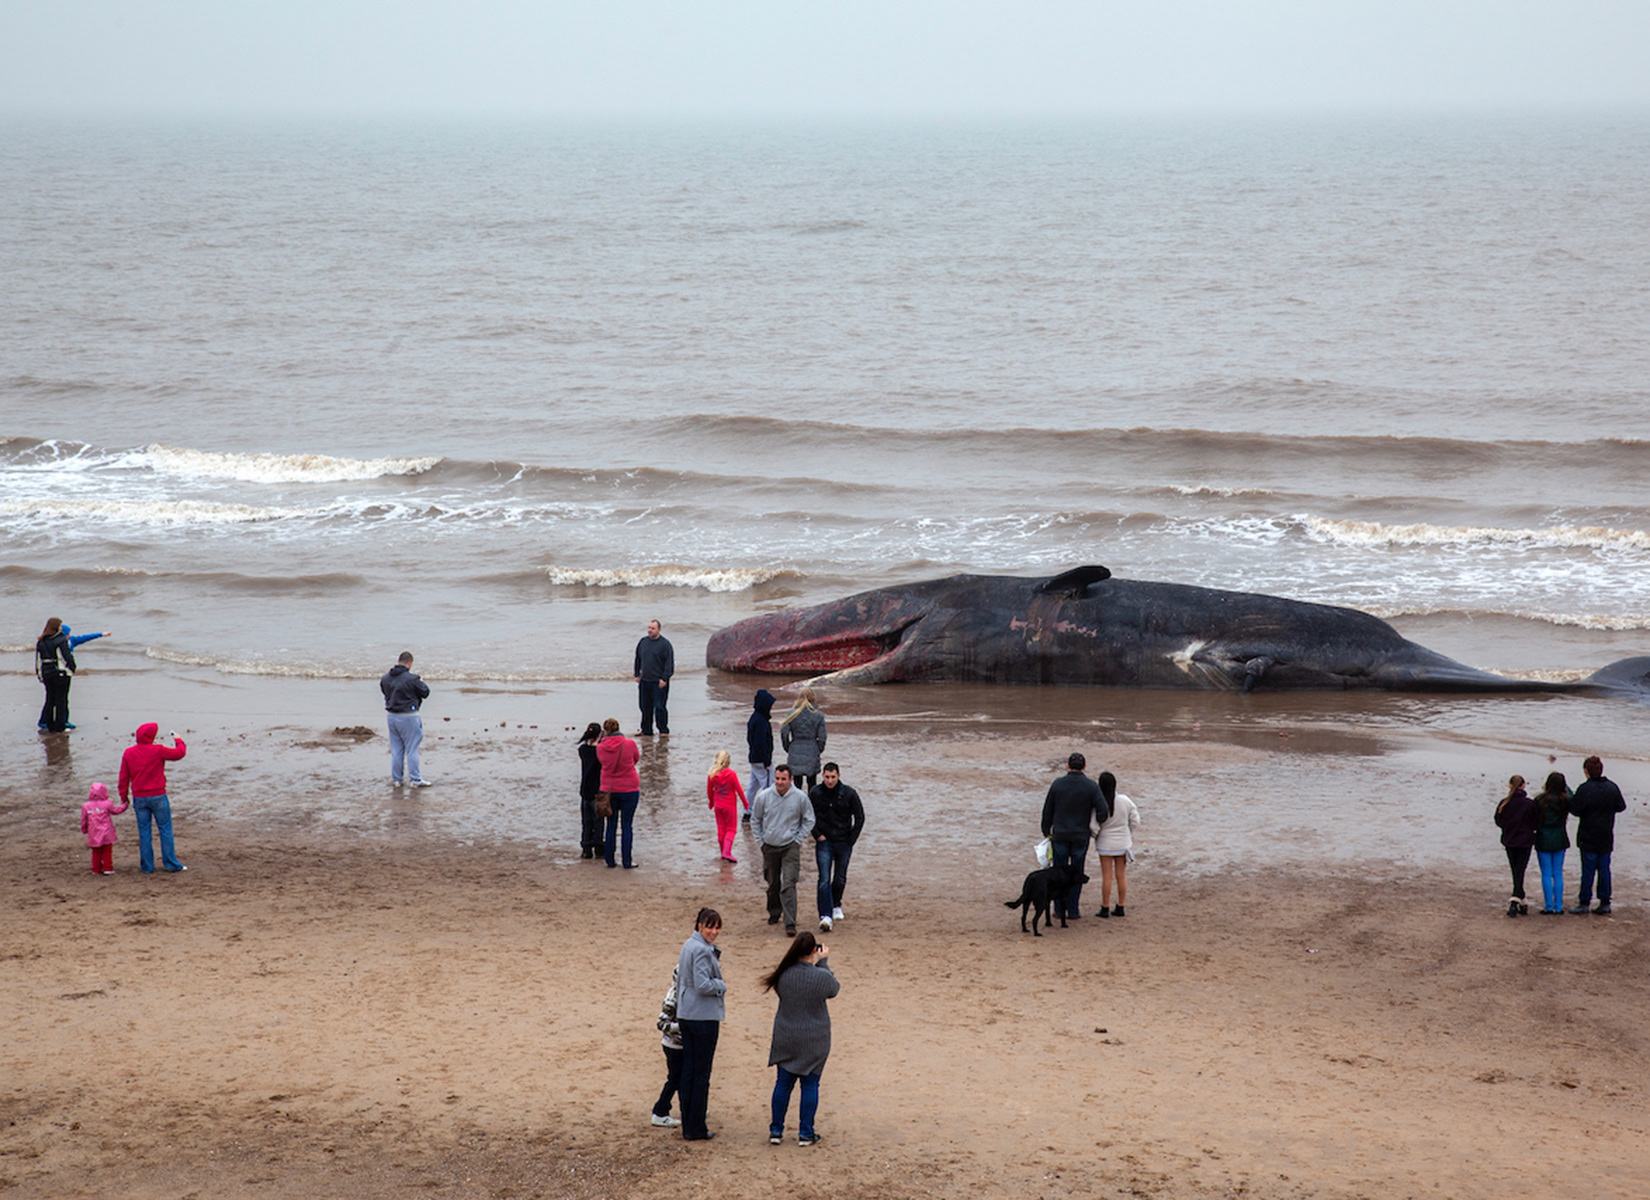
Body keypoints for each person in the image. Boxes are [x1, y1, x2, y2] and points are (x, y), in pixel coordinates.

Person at [762, 930, 840, 1148]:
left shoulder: (783, 975)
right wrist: (823, 963)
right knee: (810, 1085)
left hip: (787, 1035)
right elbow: (834, 989)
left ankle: (776, 1130)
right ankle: (806, 1132)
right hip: (814, 1039)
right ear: (814, 951)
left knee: (783, 1084)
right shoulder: (820, 976)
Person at [675, 907, 726, 1142]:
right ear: (699, 926)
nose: (713, 931)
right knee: (701, 1074)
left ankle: (689, 1124)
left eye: (716, 927)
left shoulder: (688, 945)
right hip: (703, 1017)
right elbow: (704, 985)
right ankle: (696, 1127)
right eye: (709, 926)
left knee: (689, 1071)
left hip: (686, 1013)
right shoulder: (702, 951)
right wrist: (721, 985)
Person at [1041, 752, 1107, 922]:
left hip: (1060, 834)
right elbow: (1103, 810)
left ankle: (1058, 908)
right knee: (1076, 873)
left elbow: (1047, 811)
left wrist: (1046, 831)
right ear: (1084, 766)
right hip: (1080, 836)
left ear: (1068, 766)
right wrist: (1096, 822)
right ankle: (1073, 909)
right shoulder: (1091, 786)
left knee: (1058, 873)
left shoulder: (1058, 785)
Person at [751, 765, 815, 936]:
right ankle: (774, 912)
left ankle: (790, 922)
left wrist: (798, 840)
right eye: (777, 779)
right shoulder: (764, 796)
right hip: (769, 846)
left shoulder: (800, 798)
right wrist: (761, 842)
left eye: (783, 779)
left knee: (789, 883)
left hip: (790, 847)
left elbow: (809, 820)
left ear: (791, 780)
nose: (779, 782)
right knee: (772, 883)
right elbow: (755, 820)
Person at [118, 723, 188, 873]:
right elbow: (179, 753)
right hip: (158, 795)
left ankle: (147, 867)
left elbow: (123, 777)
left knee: (144, 832)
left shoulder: (129, 753)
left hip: (140, 798)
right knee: (165, 830)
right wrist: (178, 740)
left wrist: (124, 797)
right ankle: (170, 863)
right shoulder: (158, 750)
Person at [809, 763, 864, 932]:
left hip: (843, 841)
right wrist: (817, 835)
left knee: (840, 877)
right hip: (824, 841)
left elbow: (860, 817)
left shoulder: (849, 794)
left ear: (838, 776)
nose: (830, 780)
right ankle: (825, 915)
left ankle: (836, 904)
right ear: (822, 776)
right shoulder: (815, 793)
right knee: (824, 878)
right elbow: (808, 815)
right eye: (827, 777)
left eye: (833, 777)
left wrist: (851, 839)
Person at [1568, 756, 1627, 915]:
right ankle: (1605, 901)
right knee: (1604, 868)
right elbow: (1621, 806)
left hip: (1588, 834)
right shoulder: (1611, 787)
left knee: (1588, 869)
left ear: (1586, 771)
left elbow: (1575, 810)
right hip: (1606, 834)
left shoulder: (1585, 789)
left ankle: (1584, 902)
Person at [380, 651, 431, 787]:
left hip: (392, 716)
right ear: (409, 663)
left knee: (396, 750)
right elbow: (425, 692)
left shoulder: (386, 678)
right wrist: (421, 682)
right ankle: (415, 779)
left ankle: (397, 779)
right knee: (412, 748)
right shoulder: (412, 679)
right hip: (408, 715)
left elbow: (385, 693)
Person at [1092, 771, 1140, 918]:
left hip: (1105, 844)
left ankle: (1105, 907)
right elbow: (1135, 820)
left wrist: (1097, 836)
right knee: (1121, 876)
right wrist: (1127, 832)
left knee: (1107, 876)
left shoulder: (1099, 803)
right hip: (1122, 843)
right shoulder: (1125, 800)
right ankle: (1120, 905)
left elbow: (1093, 826)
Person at [597, 718, 641, 869]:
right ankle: (627, 861)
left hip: (608, 789)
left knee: (610, 825)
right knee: (627, 825)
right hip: (630, 787)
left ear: (606, 731)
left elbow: (602, 762)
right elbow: (636, 759)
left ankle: (610, 860)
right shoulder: (629, 744)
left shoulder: (600, 747)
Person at [1494, 775, 1539, 917]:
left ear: (1509, 785)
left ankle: (1519, 899)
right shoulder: (1529, 804)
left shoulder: (1504, 803)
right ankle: (1517, 900)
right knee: (1520, 869)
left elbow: (1498, 821)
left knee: (1516, 869)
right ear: (1524, 785)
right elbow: (1536, 822)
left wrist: (1508, 828)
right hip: (1525, 842)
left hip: (1510, 840)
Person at [1533, 771, 1571, 915]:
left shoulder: (1540, 800)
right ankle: (1559, 906)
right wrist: (1565, 786)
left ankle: (1549, 906)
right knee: (1558, 873)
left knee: (1546, 873)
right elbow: (1572, 796)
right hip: (1560, 838)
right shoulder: (1565, 800)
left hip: (1543, 838)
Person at [650, 965, 684, 1128]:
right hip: (673, 1046)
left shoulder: (685, 994)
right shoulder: (673, 997)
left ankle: (688, 1107)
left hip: (681, 1044)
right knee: (675, 1079)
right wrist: (682, 1027)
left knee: (683, 1078)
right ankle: (660, 1112)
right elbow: (661, 1023)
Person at [780, 688, 827, 793]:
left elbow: (784, 733)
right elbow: (822, 737)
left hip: (795, 748)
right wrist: (818, 749)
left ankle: (797, 807)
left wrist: (788, 747)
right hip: (812, 749)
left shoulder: (792, 714)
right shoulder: (818, 715)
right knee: (812, 783)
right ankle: (811, 806)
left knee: (796, 784)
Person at [633, 619, 675, 736]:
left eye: (652, 628)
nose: (650, 630)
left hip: (659, 683)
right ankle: (646, 730)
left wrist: (664, 678)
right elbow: (638, 659)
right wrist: (637, 674)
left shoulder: (665, 644)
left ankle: (663, 730)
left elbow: (669, 664)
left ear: (659, 630)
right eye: (649, 628)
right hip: (645, 681)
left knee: (659, 707)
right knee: (644, 707)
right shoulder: (643, 642)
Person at [34, 617, 75, 733]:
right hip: (60, 673)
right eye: (60, 626)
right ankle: (60, 726)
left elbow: (38, 661)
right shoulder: (60, 641)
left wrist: (40, 675)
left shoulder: (41, 641)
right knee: (61, 700)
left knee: (50, 699)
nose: (61, 628)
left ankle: (50, 725)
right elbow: (66, 657)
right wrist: (72, 669)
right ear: (56, 627)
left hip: (47, 674)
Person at [706, 750, 746, 863]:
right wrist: (745, 803)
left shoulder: (712, 774)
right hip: (729, 805)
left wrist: (711, 803)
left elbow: (709, 791)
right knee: (731, 829)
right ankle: (727, 852)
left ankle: (722, 852)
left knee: (721, 829)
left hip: (718, 805)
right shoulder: (731, 774)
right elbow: (739, 790)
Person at [79, 782, 128, 875]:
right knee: (107, 851)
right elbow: (117, 810)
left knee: (96, 852)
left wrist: (84, 829)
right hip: (106, 832)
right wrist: (125, 805)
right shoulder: (107, 804)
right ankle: (108, 868)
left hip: (94, 833)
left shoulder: (86, 806)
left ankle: (96, 869)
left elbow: (83, 820)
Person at [745, 689, 777, 823]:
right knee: (769, 787)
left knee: (752, 786)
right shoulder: (761, 722)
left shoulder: (755, 718)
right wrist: (766, 760)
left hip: (754, 758)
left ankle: (747, 812)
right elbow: (760, 743)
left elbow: (750, 740)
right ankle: (768, 813)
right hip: (761, 760)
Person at [576, 722, 603, 859]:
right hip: (598, 790)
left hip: (585, 789)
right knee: (598, 821)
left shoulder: (582, 750)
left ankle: (586, 849)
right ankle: (598, 848)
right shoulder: (600, 752)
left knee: (586, 822)